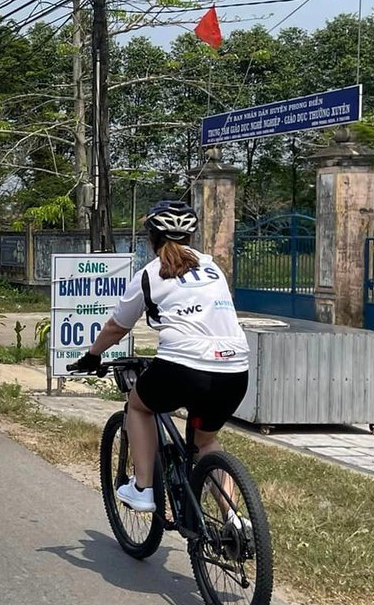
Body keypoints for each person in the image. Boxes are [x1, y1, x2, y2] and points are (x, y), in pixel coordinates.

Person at [72, 200, 250, 518]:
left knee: (140, 406)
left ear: (151, 239)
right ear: (191, 239)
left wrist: (92, 355)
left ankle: (143, 489)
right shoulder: (213, 268)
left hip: (182, 367)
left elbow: (116, 327)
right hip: (234, 369)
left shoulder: (149, 275)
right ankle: (235, 520)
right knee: (205, 443)